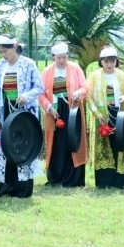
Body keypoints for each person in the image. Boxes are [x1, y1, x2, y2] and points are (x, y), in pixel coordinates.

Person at [0, 34, 42, 197]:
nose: (3, 55)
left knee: (22, 146)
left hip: (23, 113)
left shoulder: (28, 64)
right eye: (1, 52)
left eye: (5, 51)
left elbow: (40, 87)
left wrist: (27, 96)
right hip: (6, 110)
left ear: (15, 48)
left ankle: (23, 188)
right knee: (5, 146)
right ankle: (6, 186)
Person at [40, 41, 88, 188]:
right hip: (54, 111)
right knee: (57, 144)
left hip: (72, 109)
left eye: (64, 57)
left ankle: (75, 179)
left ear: (68, 56)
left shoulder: (75, 68)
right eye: (58, 57)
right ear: (53, 57)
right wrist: (48, 107)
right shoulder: (47, 71)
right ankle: (56, 177)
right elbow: (41, 93)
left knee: (73, 141)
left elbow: (84, 87)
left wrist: (78, 94)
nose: (61, 60)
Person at [86, 46, 124, 189]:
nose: (109, 64)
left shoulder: (123, 76)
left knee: (119, 145)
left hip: (120, 115)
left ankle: (120, 182)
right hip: (102, 116)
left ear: (116, 61)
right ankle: (104, 181)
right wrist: (97, 114)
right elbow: (89, 97)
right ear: (101, 62)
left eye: (112, 61)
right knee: (104, 147)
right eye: (106, 61)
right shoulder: (94, 76)